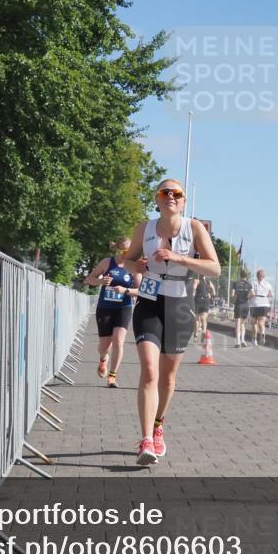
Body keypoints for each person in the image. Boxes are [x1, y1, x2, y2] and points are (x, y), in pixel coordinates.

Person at [123, 179, 220, 466]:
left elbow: (214, 268)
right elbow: (127, 260)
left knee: (167, 377)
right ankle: (145, 440)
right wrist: (135, 265)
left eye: (176, 193)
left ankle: (158, 423)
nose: (171, 197)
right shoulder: (145, 228)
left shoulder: (194, 228)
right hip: (149, 302)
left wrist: (179, 258)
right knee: (150, 371)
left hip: (179, 305)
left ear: (184, 201)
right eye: (165, 192)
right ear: (157, 199)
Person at [82, 239, 141, 388]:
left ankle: (112, 376)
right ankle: (103, 359)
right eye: (124, 252)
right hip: (105, 308)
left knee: (119, 341)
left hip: (124, 307)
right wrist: (101, 282)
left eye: (130, 252)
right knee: (104, 347)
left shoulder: (134, 266)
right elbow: (88, 279)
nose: (127, 255)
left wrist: (126, 290)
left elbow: (142, 291)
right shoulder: (107, 263)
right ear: (117, 251)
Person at [248, 269, 274, 346]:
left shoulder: (253, 283)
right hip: (265, 304)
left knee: (254, 323)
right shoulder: (268, 285)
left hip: (255, 304)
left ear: (257, 276)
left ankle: (254, 340)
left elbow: (252, 293)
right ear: (264, 276)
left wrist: (248, 297)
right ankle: (262, 333)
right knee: (261, 322)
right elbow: (271, 295)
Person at [231, 269, 252, 347]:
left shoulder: (235, 283)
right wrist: (247, 296)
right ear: (246, 276)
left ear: (240, 275)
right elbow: (252, 293)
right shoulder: (249, 285)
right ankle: (243, 340)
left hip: (238, 304)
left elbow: (232, 294)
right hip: (246, 304)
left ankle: (238, 342)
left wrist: (235, 295)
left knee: (238, 324)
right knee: (243, 324)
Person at [191, 275, 216, 343]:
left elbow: (213, 288)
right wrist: (213, 297)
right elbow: (213, 289)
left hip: (202, 301)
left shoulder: (203, 281)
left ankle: (200, 334)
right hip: (201, 301)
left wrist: (213, 297)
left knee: (200, 319)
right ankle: (200, 333)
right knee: (200, 319)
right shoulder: (202, 281)